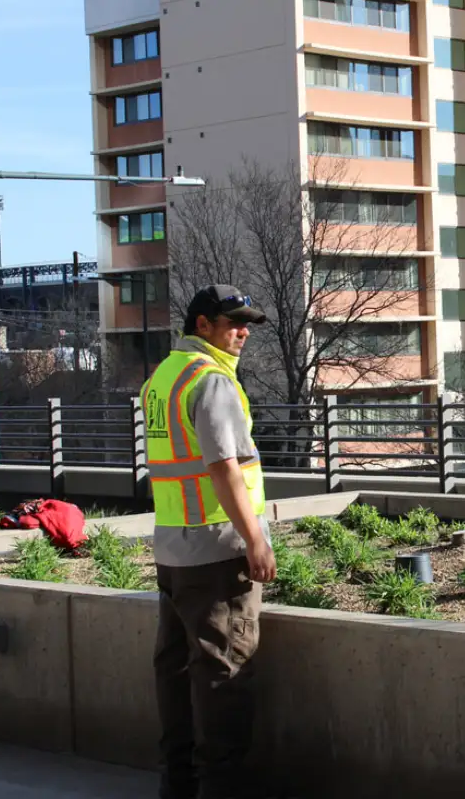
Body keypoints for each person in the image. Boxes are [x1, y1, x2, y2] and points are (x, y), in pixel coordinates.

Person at [142, 284, 277, 799]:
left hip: (174, 551)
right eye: (232, 323)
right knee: (225, 678)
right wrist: (255, 540)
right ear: (202, 325)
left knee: (175, 675)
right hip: (218, 553)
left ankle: (177, 787)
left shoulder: (163, 378)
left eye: (246, 324)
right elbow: (224, 469)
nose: (242, 332)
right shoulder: (212, 381)